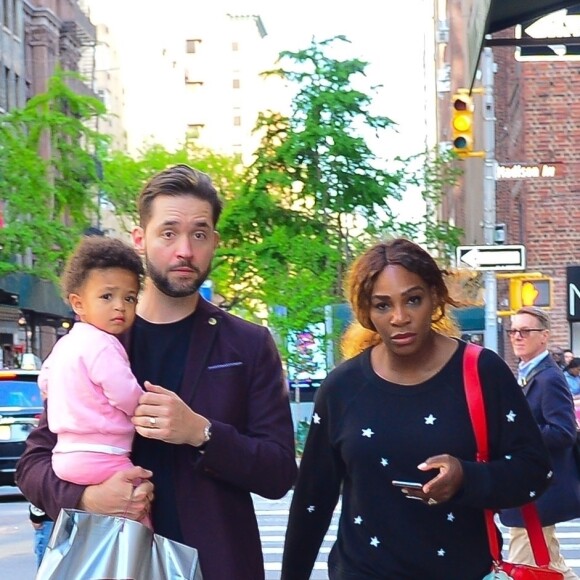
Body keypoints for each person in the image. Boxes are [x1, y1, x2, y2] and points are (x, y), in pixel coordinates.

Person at [16, 164, 297, 580]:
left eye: (199, 234)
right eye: (168, 233)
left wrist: (201, 432)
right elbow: (33, 463)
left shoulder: (248, 343)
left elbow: (278, 473)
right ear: (139, 239)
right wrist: (88, 498)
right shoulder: (94, 341)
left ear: (214, 242)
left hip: (217, 563)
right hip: (112, 562)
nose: (184, 249)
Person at [281, 238, 551, 580]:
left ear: (435, 297)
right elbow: (311, 503)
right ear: (366, 312)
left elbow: (535, 472)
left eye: (413, 300)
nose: (399, 317)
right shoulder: (341, 389)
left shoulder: (483, 371)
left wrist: (467, 478)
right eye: (382, 305)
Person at [37, 236, 151, 528]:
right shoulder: (103, 345)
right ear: (79, 303)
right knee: (138, 510)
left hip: (65, 455)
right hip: (104, 454)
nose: (120, 307)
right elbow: (125, 393)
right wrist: (144, 408)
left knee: (93, 527)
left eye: (129, 298)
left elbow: (45, 382)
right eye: (106, 297)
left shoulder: (65, 344)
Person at [500, 306, 580, 580]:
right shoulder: (528, 373)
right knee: (549, 564)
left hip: (538, 492)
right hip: (528, 489)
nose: (517, 336)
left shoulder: (549, 378)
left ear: (544, 336)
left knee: (525, 569)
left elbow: (564, 432)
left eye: (525, 331)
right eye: (513, 331)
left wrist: (517, 429)